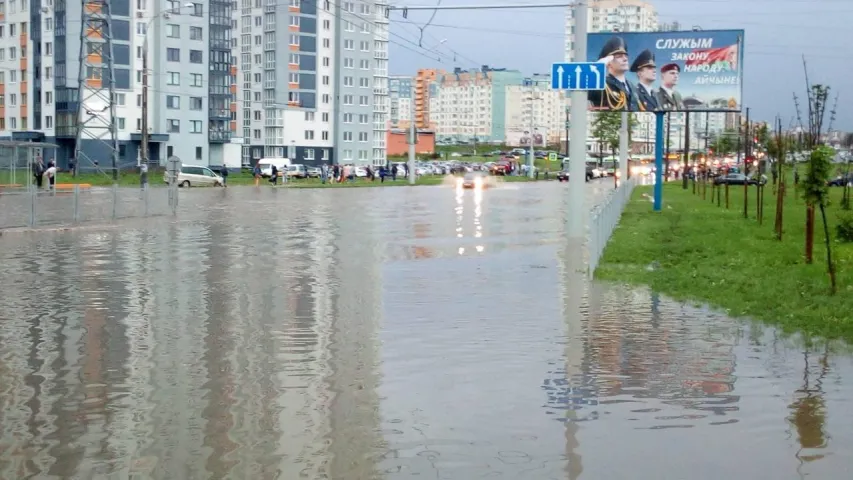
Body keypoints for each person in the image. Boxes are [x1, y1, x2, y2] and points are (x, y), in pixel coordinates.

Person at [587, 36, 638, 111]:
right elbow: (584, 86)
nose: (625, 59)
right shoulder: (602, 85)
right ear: (608, 62)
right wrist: (599, 66)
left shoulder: (632, 87)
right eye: (619, 56)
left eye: (625, 55)